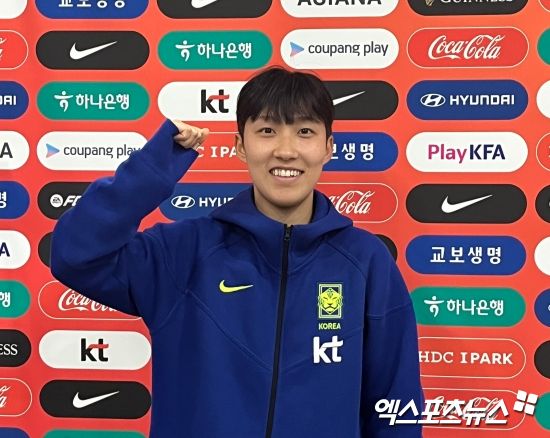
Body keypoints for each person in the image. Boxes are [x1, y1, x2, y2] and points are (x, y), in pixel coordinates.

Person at [50, 66, 423, 437]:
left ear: (328, 148)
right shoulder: (184, 252)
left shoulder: (366, 262)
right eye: (267, 131)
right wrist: (154, 168)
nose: (286, 151)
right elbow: (75, 256)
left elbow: (396, 405)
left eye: (305, 132)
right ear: (240, 146)